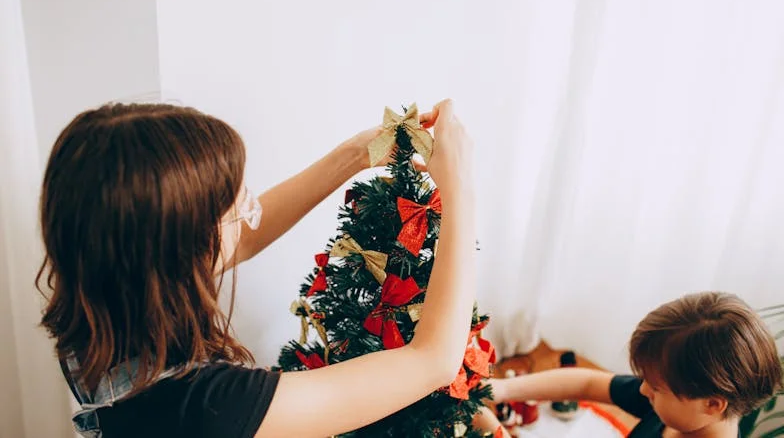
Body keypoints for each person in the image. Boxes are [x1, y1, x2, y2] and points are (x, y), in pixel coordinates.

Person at [36, 99, 476, 437]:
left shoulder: (99, 314)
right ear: (182, 249)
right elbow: (433, 360)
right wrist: (460, 189)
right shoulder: (208, 407)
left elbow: (241, 239)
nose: (248, 207)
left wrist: (355, 155)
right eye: (232, 204)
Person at [475, 292, 783, 438]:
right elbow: (588, 384)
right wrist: (501, 388)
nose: (644, 389)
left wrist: (496, 431)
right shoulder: (679, 409)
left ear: (712, 404)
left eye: (657, 387)